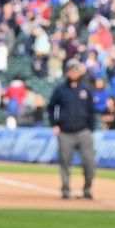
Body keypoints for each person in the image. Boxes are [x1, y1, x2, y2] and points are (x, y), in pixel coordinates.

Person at [48, 59, 98, 199]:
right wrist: (55, 124)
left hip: (83, 130)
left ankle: (87, 188)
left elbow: (92, 110)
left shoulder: (86, 89)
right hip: (65, 131)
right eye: (71, 69)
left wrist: (90, 128)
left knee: (89, 161)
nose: (73, 72)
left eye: (75, 69)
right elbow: (51, 107)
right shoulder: (60, 89)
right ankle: (65, 188)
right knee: (64, 161)